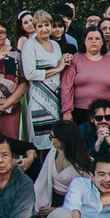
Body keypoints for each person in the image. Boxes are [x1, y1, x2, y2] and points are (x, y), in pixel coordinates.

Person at [21, 9, 68, 149]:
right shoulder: (30, 45)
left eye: (47, 25)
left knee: (55, 140)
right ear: (35, 28)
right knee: (40, 142)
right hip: (38, 98)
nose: (44, 29)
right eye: (40, 26)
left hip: (55, 98)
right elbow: (29, 74)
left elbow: (61, 69)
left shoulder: (56, 45)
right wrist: (57, 69)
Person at [61, 27, 110, 125]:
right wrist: (66, 111)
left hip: (104, 115)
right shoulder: (75, 59)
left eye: (97, 39)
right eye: (90, 38)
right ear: (84, 41)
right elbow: (66, 86)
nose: (94, 41)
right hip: (78, 113)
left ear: (102, 42)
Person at [33, 120, 94, 217]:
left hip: (70, 203)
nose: (51, 140)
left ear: (63, 139)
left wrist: (59, 209)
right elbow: (42, 180)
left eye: (53, 137)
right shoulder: (53, 152)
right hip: (51, 198)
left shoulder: (84, 163)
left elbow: (86, 197)